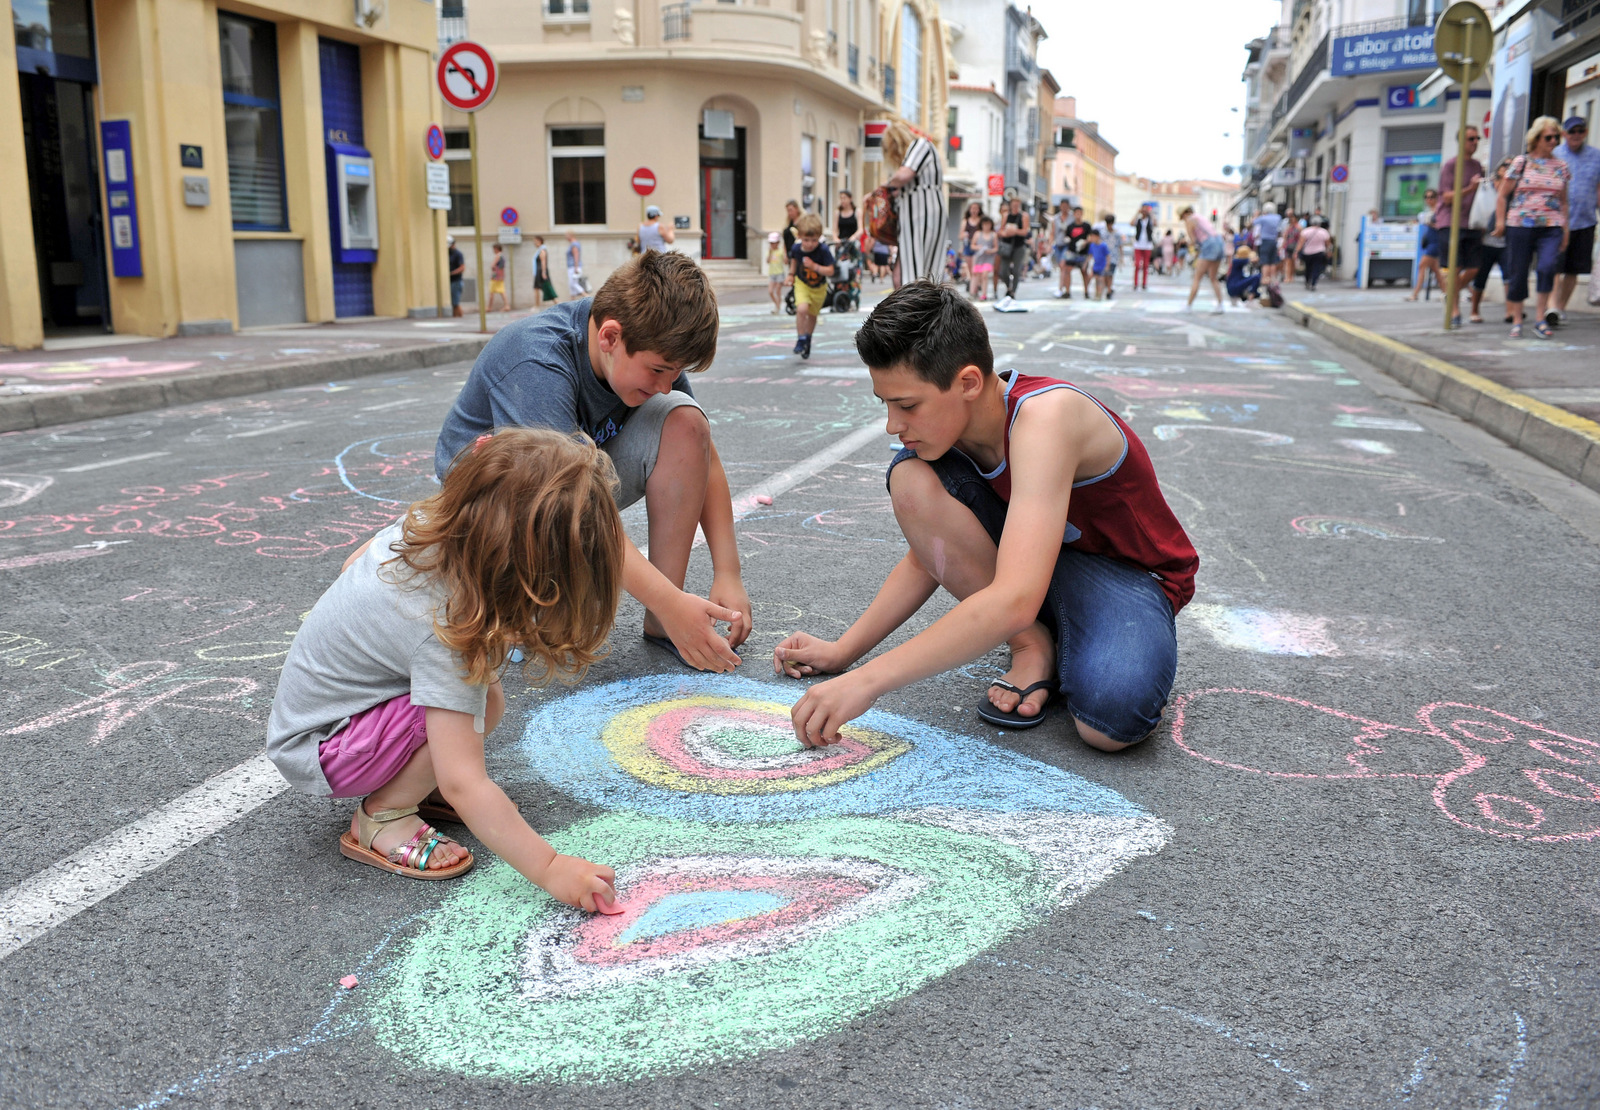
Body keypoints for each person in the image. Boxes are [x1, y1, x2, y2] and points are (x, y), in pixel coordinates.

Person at [771, 281, 1197, 751]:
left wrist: (867, 681)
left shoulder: (1047, 418)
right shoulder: (948, 432)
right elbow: (930, 555)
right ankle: (1032, 645)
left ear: (969, 382)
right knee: (912, 478)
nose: (893, 424)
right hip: (1033, 566)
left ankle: (1055, 635)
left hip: (1126, 574)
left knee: (1109, 722)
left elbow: (1013, 595)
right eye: (886, 404)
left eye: (907, 404)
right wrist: (843, 651)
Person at [266, 427, 623, 908]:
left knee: (480, 698)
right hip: (324, 747)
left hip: (324, 721)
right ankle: (383, 816)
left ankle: (407, 784)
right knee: (467, 706)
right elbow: (465, 782)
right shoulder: (442, 627)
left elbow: (353, 563)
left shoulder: (428, 528)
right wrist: (552, 868)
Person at [434, 250, 750, 672]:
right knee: (547, 627)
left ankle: (663, 623)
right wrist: (674, 603)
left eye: (673, 372)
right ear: (610, 338)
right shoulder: (536, 361)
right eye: (658, 370)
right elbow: (572, 504)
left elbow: (702, 456)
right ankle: (507, 597)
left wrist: (728, 573)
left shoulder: (650, 346)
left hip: (574, 484)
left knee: (686, 422)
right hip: (498, 507)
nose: (665, 384)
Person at [1493, 116, 1572, 339]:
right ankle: (1517, 319)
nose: (1553, 141)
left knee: (1547, 267)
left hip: (1551, 225)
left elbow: (1565, 201)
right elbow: (1502, 194)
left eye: (1557, 137)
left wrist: (1565, 229)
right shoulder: (1521, 162)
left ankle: (1540, 318)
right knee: (1518, 271)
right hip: (1520, 224)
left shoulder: (1561, 167)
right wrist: (1500, 222)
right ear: (1536, 139)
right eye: (1549, 137)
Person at [880, 121, 946, 287]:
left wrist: (881, 189)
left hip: (922, 212)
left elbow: (904, 175)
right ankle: (909, 308)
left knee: (918, 273)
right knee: (903, 274)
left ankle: (917, 310)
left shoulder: (920, 145)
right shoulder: (917, 153)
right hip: (914, 216)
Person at [1435, 128, 1485, 327]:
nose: (1475, 142)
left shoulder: (1478, 166)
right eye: (1471, 139)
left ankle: (1450, 294)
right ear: (1461, 141)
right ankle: (1454, 311)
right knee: (1454, 267)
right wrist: (1469, 189)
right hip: (1451, 222)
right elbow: (1446, 197)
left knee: (1474, 267)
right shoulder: (1451, 165)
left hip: (1472, 222)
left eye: (1477, 138)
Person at [1552, 115, 1600, 324]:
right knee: (1554, 267)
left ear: (1586, 133)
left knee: (1573, 269)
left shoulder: (1597, 156)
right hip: (1557, 221)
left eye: (1580, 131)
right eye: (1572, 131)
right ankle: (1551, 307)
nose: (1576, 135)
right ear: (1564, 134)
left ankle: (1560, 309)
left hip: (1585, 220)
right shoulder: (1554, 155)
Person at [1470, 157, 1517, 324]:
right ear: (1499, 169)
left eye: (1512, 166)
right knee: (1481, 277)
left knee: (1509, 276)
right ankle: (1474, 310)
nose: (1509, 168)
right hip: (1486, 240)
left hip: (1506, 241)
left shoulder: (1515, 189)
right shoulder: (1487, 186)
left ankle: (1510, 311)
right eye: (1506, 165)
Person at [785, 212, 835, 360]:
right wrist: (790, 275)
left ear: (819, 237)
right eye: (806, 239)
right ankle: (800, 339)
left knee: (812, 315)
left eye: (814, 240)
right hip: (802, 284)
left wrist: (814, 266)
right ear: (799, 236)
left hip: (819, 288)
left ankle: (808, 339)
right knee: (802, 309)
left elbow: (831, 270)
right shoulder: (796, 249)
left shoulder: (823, 250)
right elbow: (794, 260)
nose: (810, 244)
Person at [1180, 206, 1225, 314]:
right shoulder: (1200, 217)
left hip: (1208, 245)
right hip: (1219, 241)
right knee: (1213, 277)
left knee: (1197, 277)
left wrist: (1189, 244)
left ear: (1184, 214)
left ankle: (1188, 306)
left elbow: (1194, 240)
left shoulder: (1190, 220)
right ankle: (1221, 304)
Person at [1406, 189, 1443, 301]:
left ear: (1436, 198)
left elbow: (1442, 225)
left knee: (1422, 266)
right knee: (1437, 271)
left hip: (1436, 242)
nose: (1428, 199)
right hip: (1431, 241)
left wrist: (1430, 224)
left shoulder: (1439, 210)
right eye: (1426, 197)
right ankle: (1447, 293)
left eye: (1431, 197)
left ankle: (1415, 294)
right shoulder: (1429, 211)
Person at [996, 196, 1031, 301]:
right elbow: (1000, 231)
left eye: (1017, 204)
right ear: (1010, 205)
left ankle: (1013, 291)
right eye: (1014, 204)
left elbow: (1025, 231)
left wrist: (1015, 231)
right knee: (1003, 270)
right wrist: (1006, 233)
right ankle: (1008, 286)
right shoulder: (1006, 216)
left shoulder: (1024, 216)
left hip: (1019, 246)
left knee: (1016, 270)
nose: (1015, 206)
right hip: (1007, 246)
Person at [1063, 206, 1094, 298]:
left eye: (1080, 213)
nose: (1078, 215)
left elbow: (1091, 237)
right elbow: (1067, 236)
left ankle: (1086, 291)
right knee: (1067, 270)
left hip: (1083, 252)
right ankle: (1067, 291)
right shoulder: (1070, 226)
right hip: (1072, 251)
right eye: (1077, 213)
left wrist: (1085, 242)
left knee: (1084, 271)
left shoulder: (1086, 226)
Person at [1251, 202, 1283, 285]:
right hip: (1274, 241)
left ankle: (1265, 278)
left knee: (1265, 261)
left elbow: (1254, 222)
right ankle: (1273, 279)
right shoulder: (1278, 217)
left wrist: (1256, 214)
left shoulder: (1263, 218)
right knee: (1273, 261)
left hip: (1265, 241)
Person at [1297, 218, 1332, 290]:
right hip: (1319, 252)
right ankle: (1313, 283)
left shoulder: (1305, 231)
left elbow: (1301, 243)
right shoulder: (1324, 232)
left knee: (1308, 268)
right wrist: (1329, 251)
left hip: (1307, 252)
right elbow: (1328, 244)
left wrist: (1297, 251)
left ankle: (1307, 281)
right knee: (1317, 268)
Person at [969, 215, 997, 300]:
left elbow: (996, 247)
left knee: (985, 275)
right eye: (984, 224)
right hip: (979, 257)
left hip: (988, 258)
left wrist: (990, 251)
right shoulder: (977, 234)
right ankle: (973, 292)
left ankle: (984, 294)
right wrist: (978, 247)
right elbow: (972, 246)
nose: (986, 226)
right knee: (976, 275)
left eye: (988, 224)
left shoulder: (993, 235)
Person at [960, 201, 985, 286]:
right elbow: (960, 236)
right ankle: (973, 285)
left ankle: (979, 284)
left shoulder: (982, 220)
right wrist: (964, 235)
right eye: (972, 208)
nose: (974, 210)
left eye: (976, 208)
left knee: (977, 267)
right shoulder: (965, 221)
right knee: (970, 267)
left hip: (978, 246)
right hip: (968, 245)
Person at [1131, 206, 1156, 290]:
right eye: (1143, 211)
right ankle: (1135, 283)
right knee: (1137, 265)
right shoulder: (1138, 220)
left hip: (1147, 245)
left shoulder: (1150, 221)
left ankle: (1144, 283)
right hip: (1138, 244)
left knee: (1146, 266)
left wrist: (1151, 213)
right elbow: (1131, 223)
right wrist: (1137, 213)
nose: (1144, 212)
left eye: (1146, 211)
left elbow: (1155, 223)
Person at [1100, 214, 1125, 300]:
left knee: (1110, 274)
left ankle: (1109, 290)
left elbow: (1120, 246)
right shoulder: (1102, 233)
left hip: (1113, 257)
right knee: (1104, 274)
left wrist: (1121, 257)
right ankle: (1107, 288)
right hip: (1103, 257)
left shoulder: (1117, 234)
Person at [532, 235, 558, 308]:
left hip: (540, 272)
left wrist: (543, 272)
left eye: (535, 241)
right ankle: (537, 305)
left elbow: (543, 262)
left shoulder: (542, 250)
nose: (534, 243)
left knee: (545, 288)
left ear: (540, 241)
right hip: (539, 272)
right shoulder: (540, 250)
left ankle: (537, 305)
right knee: (539, 288)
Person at [764, 231, 787, 314]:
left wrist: (785, 253)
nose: (772, 245)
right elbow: (767, 261)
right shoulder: (770, 251)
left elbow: (785, 262)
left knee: (778, 291)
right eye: (771, 243)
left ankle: (777, 307)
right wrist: (770, 253)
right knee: (770, 291)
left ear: (777, 243)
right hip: (772, 273)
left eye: (774, 243)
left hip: (780, 273)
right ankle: (777, 304)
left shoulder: (780, 251)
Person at [1086, 228, 1111, 300]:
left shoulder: (1103, 245)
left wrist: (1107, 265)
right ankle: (1097, 293)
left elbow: (1108, 256)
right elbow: (1090, 255)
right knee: (1096, 280)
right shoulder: (1092, 245)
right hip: (1095, 266)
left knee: (1101, 280)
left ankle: (1100, 294)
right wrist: (1086, 264)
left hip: (1102, 265)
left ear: (1098, 236)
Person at [565, 230, 587, 298]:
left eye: (566, 235)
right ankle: (572, 302)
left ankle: (586, 296)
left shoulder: (574, 244)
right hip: (572, 267)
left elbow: (576, 256)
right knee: (571, 285)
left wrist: (576, 268)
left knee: (574, 284)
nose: (565, 237)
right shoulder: (573, 244)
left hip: (574, 267)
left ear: (570, 235)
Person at [486, 244, 508, 313]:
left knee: (491, 292)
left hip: (495, 276)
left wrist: (493, 268)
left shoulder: (498, 256)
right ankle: (507, 305)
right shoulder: (502, 256)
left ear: (496, 249)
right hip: (501, 276)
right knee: (502, 291)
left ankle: (489, 307)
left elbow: (492, 265)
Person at [448, 236, 465, 318]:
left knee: (456, 302)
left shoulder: (457, 254)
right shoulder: (448, 253)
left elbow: (462, 268)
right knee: (453, 302)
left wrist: (451, 273)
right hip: (451, 281)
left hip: (456, 281)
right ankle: (455, 317)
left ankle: (460, 317)